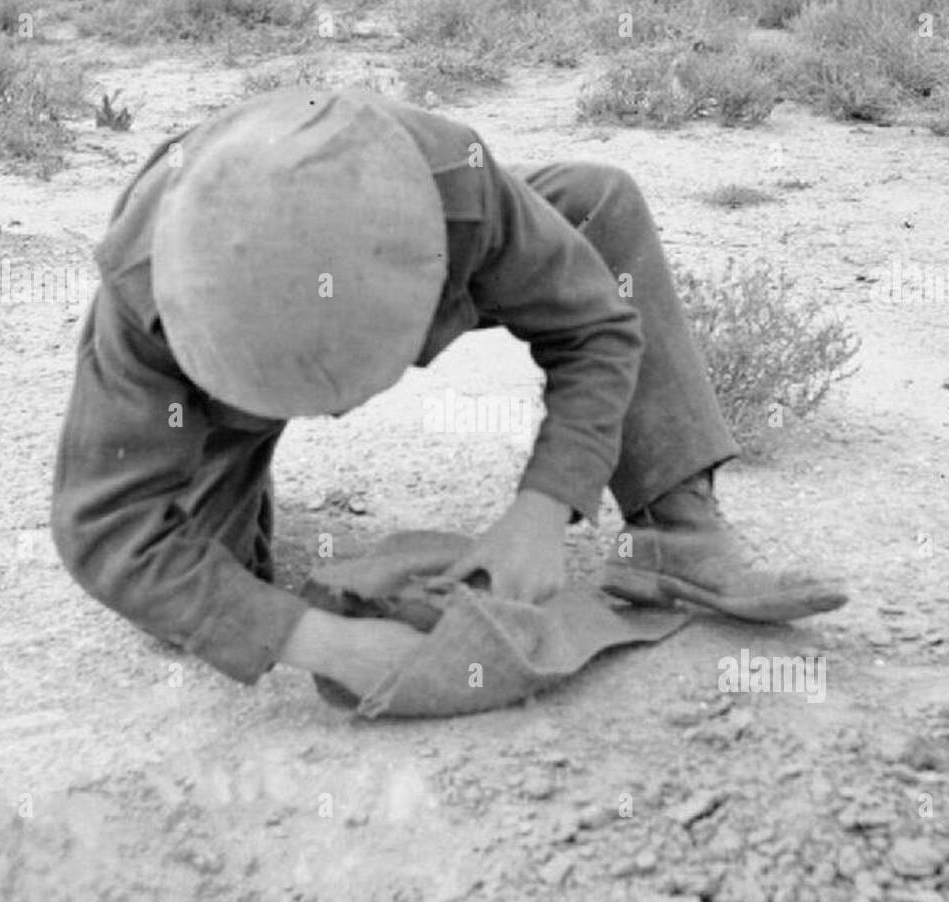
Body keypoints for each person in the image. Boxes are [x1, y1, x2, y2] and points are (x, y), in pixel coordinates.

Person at [51, 88, 846, 702]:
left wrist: (544, 508)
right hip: (223, 340)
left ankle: (678, 529)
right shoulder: (146, 288)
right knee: (195, 596)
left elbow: (594, 327)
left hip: (388, 210)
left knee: (600, 202)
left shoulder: (454, 194)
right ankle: (235, 478)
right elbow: (107, 526)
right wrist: (325, 643)